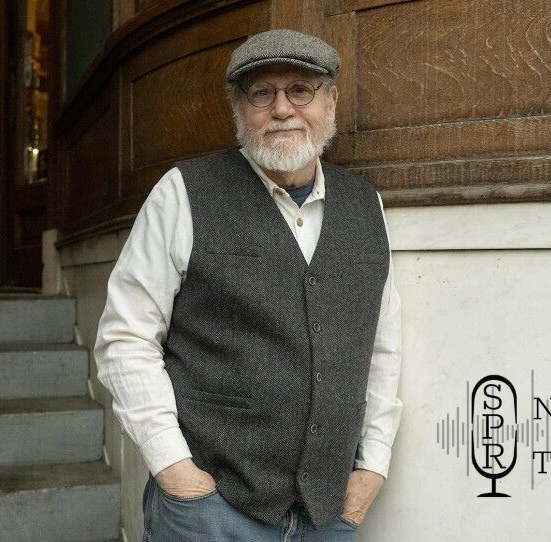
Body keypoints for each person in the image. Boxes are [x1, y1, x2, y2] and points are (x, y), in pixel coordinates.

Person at [93, 28, 403, 542]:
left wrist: (372, 469)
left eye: (300, 90)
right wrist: (176, 471)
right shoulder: (184, 194)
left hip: (329, 515)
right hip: (211, 513)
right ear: (240, 107)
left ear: (331, 100)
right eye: (262, 94)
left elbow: (381, 349)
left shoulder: (365, 207)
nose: (282, 109)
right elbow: (125, 337)